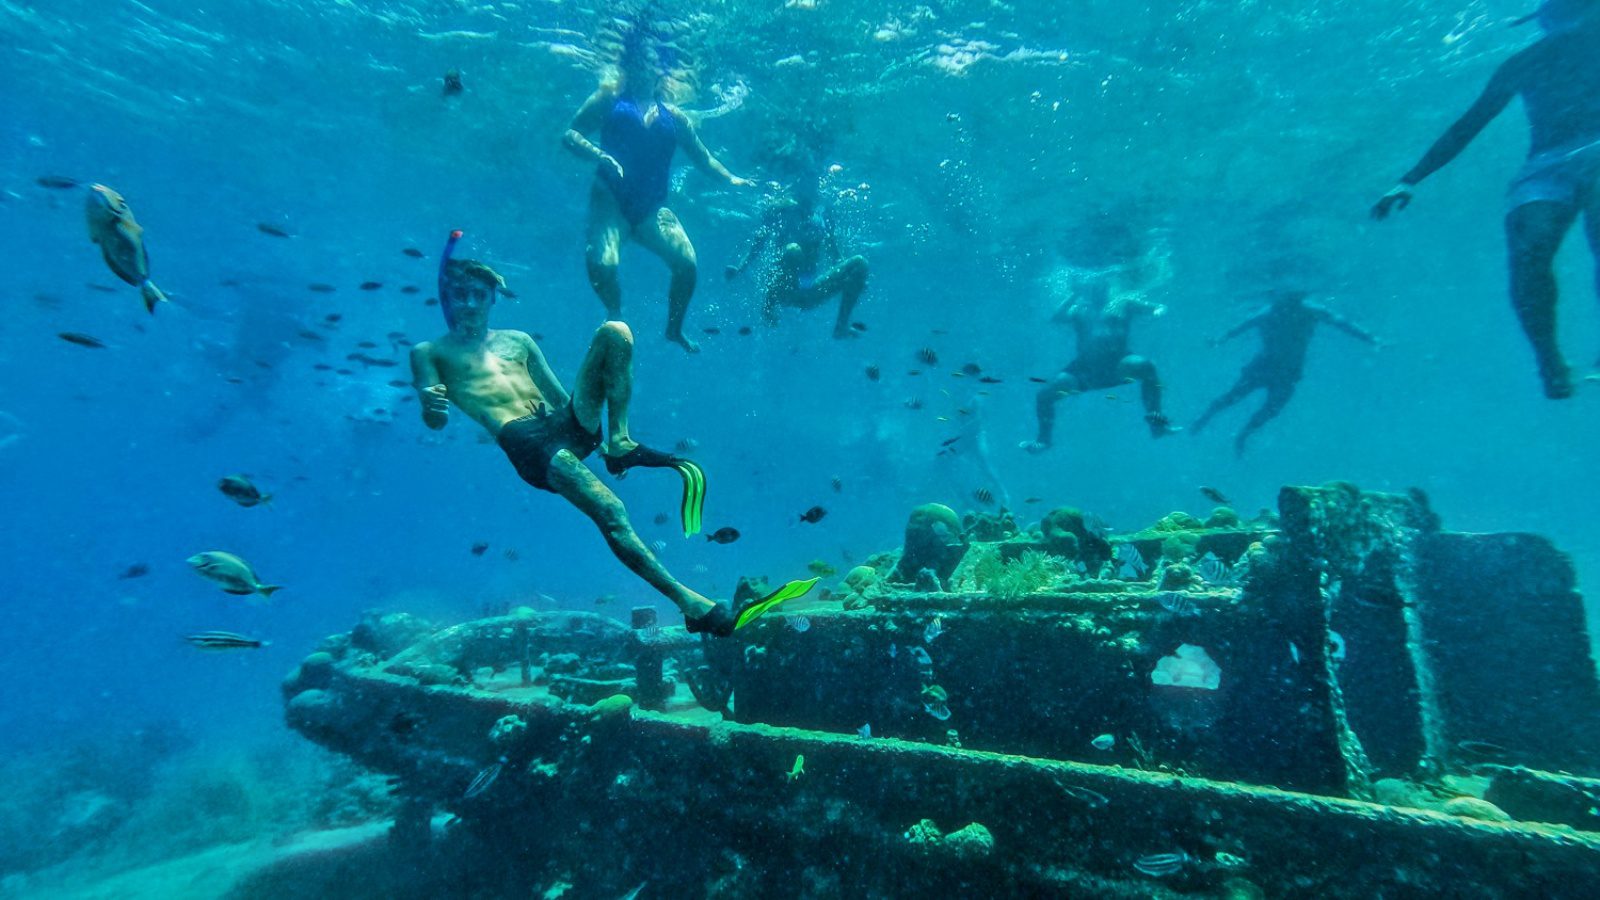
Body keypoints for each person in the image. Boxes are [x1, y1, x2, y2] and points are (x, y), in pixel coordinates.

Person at [410, 231, 808, 635]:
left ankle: (620, 441)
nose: (470, 304)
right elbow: (436, 420)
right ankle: (692, 605)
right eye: (461, 295)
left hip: (560, 424)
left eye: (480, 294)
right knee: (612, 512)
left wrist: (593, 440)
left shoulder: (520, 341)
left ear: (493, 298)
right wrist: (430, 406)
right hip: (525, 442)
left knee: (615, 331)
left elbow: (559, 396)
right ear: (449, 298)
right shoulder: (430, 353)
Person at [1371, 0, 1600, 399]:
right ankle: (1548, 359)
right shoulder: (1523, 63)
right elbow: (1469, 124)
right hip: (1545, 164)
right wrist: (1409, 180)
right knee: (1529, 250)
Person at [562, 24, 754, 354]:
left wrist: (732, 179)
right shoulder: (608, 99)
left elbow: (703, 158)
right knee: (603, 265)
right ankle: (615, 317)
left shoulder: (675, 116)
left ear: (659, 71)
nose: (642, 68)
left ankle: (673, 330)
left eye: (650, 63)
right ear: (626, 65)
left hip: (651, 209)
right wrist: (600, 155)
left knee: (688, 265)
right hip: (610, 201)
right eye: (636, 61)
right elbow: (571, 135)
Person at [1191, 290, 1378, 456]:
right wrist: (1219, 340)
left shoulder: (1303, 310)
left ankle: (1240, 434)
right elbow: (1342, 323)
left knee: (1267, 407)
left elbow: (1343, 324)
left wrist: (1370, 338)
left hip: (1281, 370)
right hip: (1270, 368)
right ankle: (1210, 420)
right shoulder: (1282, 311)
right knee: (1238, 398)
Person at [1022, 278, 1178, 454]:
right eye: (1093, 286)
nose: (1097, 289)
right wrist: (1075, 294)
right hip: (1085, 370)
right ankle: (1044, 440)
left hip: (1118, 363)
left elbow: (1157, 306)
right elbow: (1056, 317)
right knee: (1043, 395)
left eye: (1101, 285)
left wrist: (1158, 310)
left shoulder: (1123, 302)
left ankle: (1157, 425)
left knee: (1146, 366)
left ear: (1107, 286)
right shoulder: (1079, 308)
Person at [725, 178, 868, 338]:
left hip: (810, 291)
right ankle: (767, 307)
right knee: (793, 250)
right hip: (783, 291)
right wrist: (740, 268)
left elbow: (836, 257)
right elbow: (758, 245)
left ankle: (841, 327)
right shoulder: (781, 210)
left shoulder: (821, 214)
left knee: (860, 264)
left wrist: (858, 281)